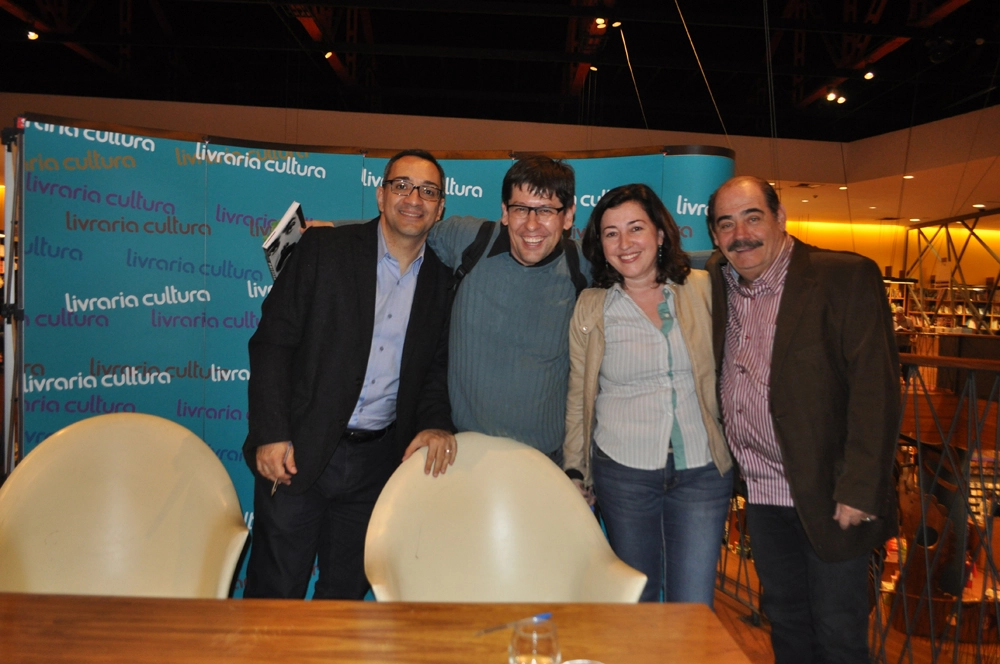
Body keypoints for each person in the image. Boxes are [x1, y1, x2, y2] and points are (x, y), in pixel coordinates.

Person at [242, 149, 458, 599]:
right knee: (274, 596)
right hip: (297, 452)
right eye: (401, 185)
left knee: (344, 598)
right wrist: (270, 431)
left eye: (428, 190)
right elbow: (272, 344)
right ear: (381, 196)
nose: (413, 198)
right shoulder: (323, 249)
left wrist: (436, 424)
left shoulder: (443, 282)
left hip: (376, 467)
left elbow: (434, 370)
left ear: (440, 208)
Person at [705, 176, 899, 662]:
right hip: (763, 495)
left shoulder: (843, 277)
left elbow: (876, 389)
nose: (740, 234)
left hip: (831, 496)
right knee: (788, 625)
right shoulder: (719, 280)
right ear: (714, 236)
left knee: (838, 634)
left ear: (780, 218)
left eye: (752, 217)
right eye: (726, 224)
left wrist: (859, 487)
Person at [562, 184, 733, 605]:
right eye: (611, 233)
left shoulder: (703, 288)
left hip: (702, 471)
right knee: (635, 602)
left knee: (693, 605)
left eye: (635, 228)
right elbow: (579, 396)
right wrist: (575, 471)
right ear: (600, 245)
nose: (624, 243)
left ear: (660, 234)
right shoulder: (592, 305)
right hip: (623, 472)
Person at [427, 156, 588, 462]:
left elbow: (648, 266)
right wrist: (326, 231)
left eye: (545, 211)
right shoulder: (468, 239)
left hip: (544, 462)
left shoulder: (582, 266)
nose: (531, 224)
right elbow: (400, 231)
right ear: (504, 212)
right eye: (520, 209)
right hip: (462, 456)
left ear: (568, 217)